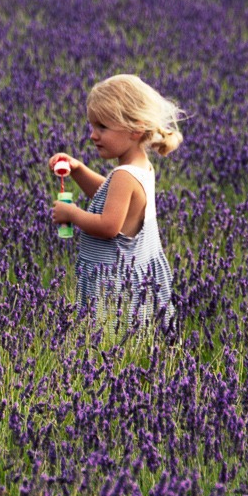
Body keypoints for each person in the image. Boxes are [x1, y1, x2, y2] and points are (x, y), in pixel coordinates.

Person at [49, 74, 181, 329]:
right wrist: (78, 170)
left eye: (102, 127)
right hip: (136, 276)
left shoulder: (123, 175)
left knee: (108, 344)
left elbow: (109, 224)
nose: (92, 135)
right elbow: (111, 199)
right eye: (92, 126)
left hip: (113, 283)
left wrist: (72, 213)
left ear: (135, 129)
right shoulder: (140, 167)